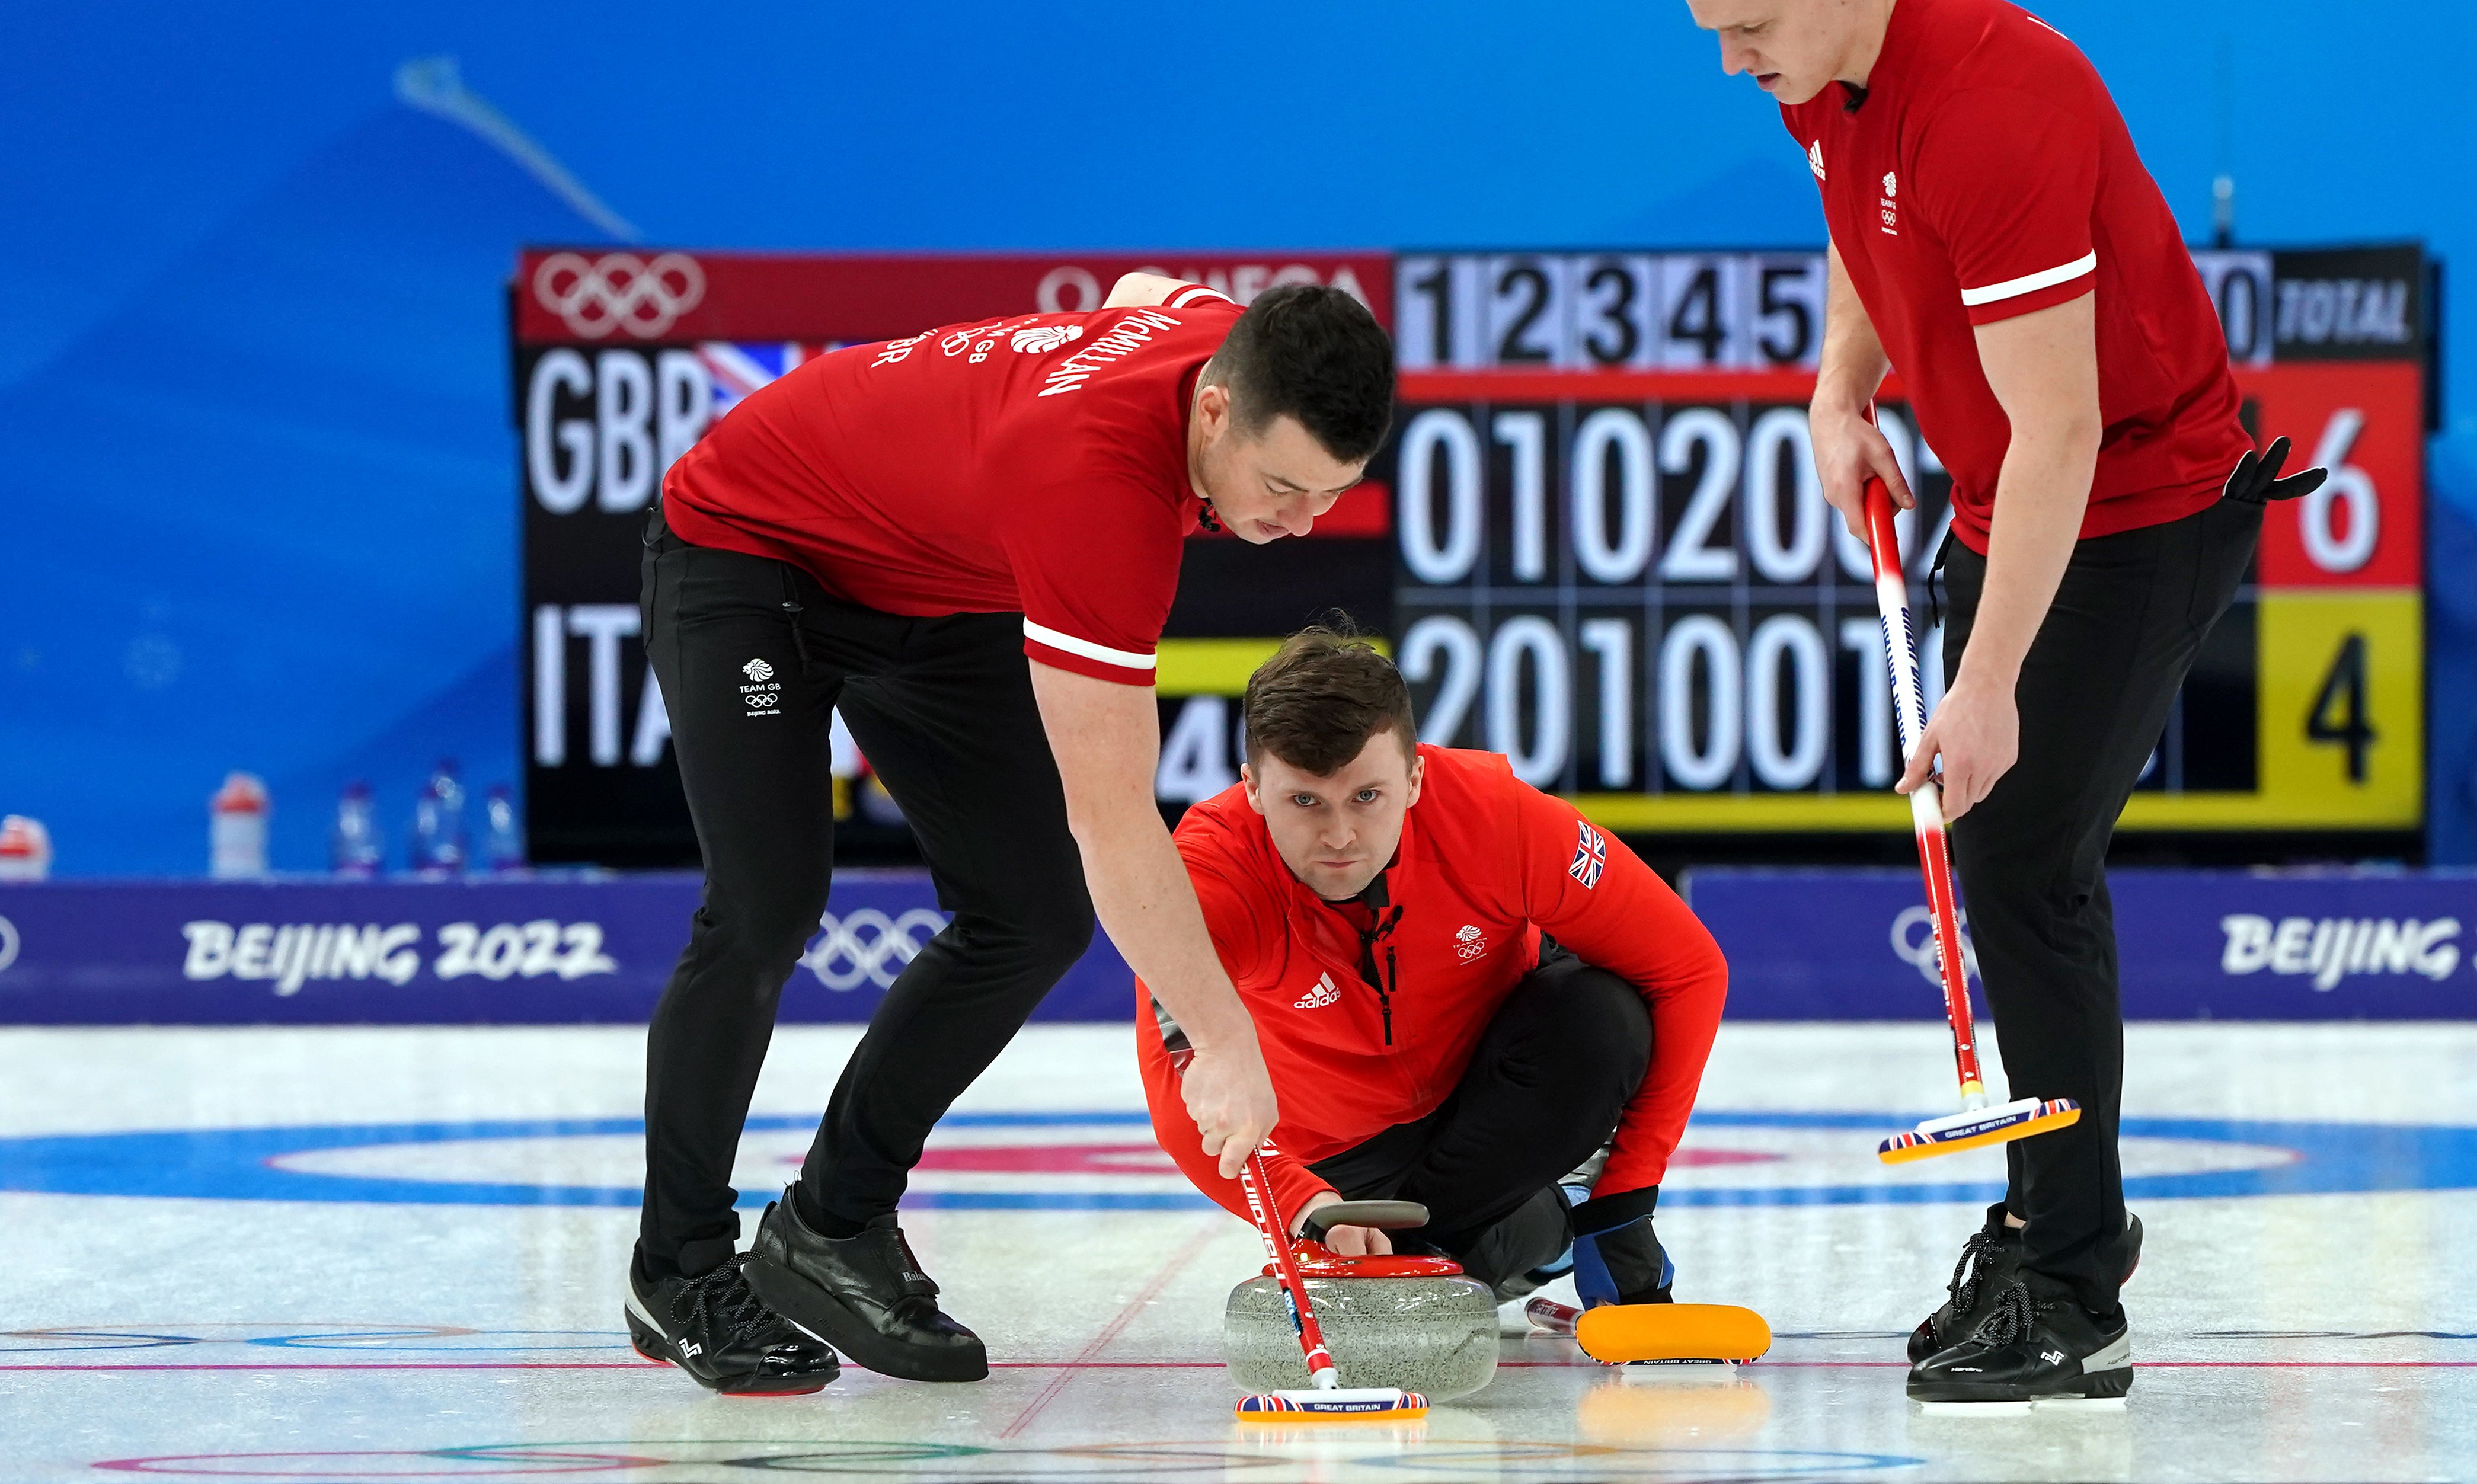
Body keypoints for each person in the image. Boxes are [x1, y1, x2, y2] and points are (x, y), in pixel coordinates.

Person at [1667, 0, 2322, 1403]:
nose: (1732, 63)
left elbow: (2065, 431)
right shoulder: (1828, 71)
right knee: (2006, 847)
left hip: (2141, 501)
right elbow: (1861, 223)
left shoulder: (1993, 105)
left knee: (2027, 853)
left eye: (1748, 27)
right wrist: (1840, 389)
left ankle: (2076, 1286)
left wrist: (1988, 679)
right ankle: (2039, 1214)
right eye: (1714, 36)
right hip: (2012, 494)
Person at [625, 278, 1395, 1394]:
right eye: (1282, 487)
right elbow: (1111, 817)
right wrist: (1223, 1038)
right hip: (751, 549)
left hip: (927, 579)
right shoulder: (1097, 496)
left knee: (1032, 912)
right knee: (765, 904)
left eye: (1331, 494)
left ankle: (833, 1223)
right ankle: (678, 1264)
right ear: (1215, 409)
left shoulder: (1221, 336)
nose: (1301, 522)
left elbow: (1139, 292)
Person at [1133, 625, 1728, 1307]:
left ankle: (1508, 1233)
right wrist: (1304, 1206)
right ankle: (1508, 1240)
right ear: (1253, 790)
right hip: (1338, 1166)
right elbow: (1177, 1093)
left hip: (1495, 1104)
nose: (1339, 837)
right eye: (1305, 801)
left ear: (1415, 777)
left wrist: (1626, 1198)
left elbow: (1688, 969)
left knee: (1602, 1015)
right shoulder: (1211, 874)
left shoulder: (1494, 818)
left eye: (1367, 797)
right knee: (1500, 1244)